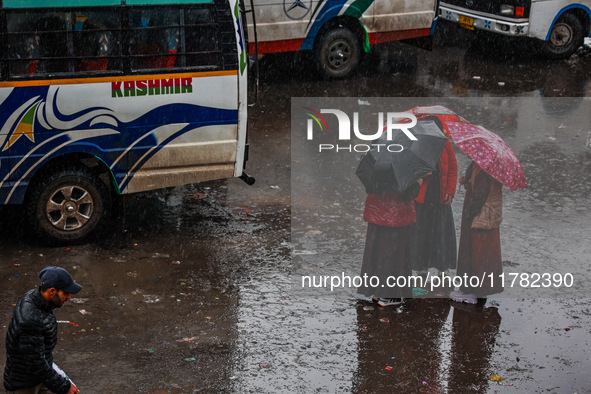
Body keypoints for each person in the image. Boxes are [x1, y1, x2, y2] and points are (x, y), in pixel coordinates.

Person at [4, 267, 82, 394]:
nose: (69, 297)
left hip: (38, 376)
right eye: (65, 293)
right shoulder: (31, 320)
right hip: (24, 385)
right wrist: (63, 386)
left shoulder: (38, 299)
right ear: (52, 291)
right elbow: (36, 363)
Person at [358, 176, 427, 307]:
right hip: (396, 215)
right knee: (393, 256)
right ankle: (389, 295)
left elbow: (370, 185)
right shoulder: (403, 165)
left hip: (377, 212)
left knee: (378, 253)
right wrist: (418, 183)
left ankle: (378, 291)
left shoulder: (378, 160)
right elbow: (407, 194)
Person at [450, 161, 504, 304]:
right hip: (486, 217)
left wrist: (469, 213)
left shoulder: (484, 170)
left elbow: (480, 196)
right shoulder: (481, 166)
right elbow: (479, 189)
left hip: (481, 217)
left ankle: (472, 291)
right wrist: (467, 182)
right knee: (483, 254)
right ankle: (480, 290)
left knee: (476, 254)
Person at [410, 137, 458, 281]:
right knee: (421, 232)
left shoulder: (446, 145)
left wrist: (450, 190)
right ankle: (421, 266)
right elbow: (409, 168)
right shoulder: (417, 145)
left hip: (440, 197)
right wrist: (421, 174)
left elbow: (452, 168)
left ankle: (443, 267)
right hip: (422, 198)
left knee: (441, 233)